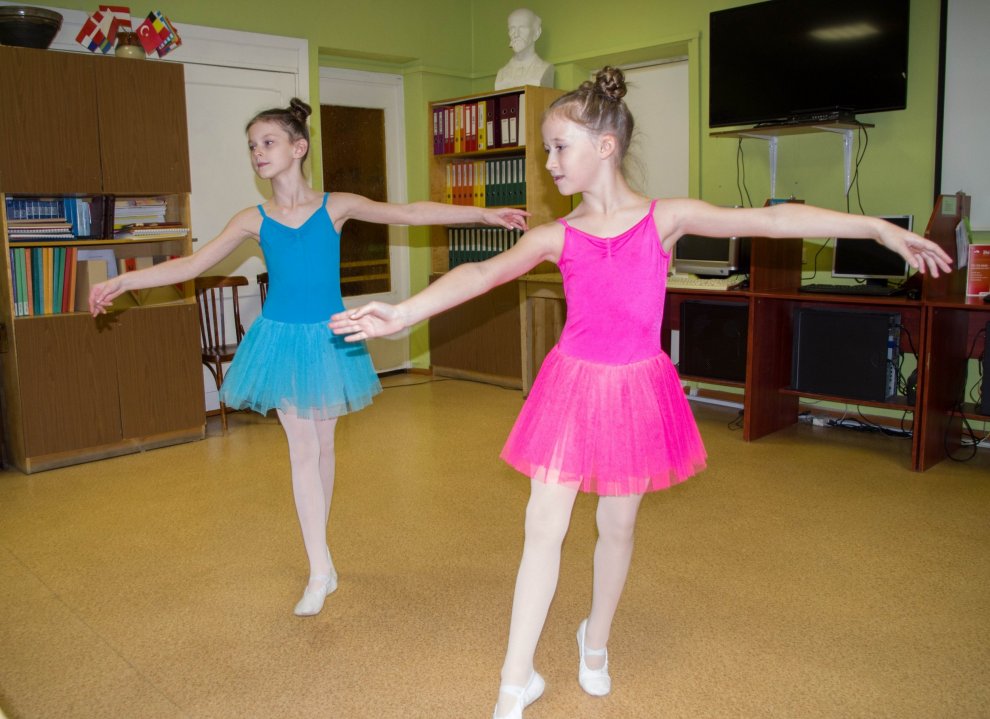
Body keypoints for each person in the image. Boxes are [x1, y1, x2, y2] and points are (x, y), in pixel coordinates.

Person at [330, 66, 953, 717]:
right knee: (542, 526)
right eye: (546, 149)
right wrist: (403, 313)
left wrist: (877, 228)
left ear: (605, 146)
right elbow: (482, 272)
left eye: (559, 147)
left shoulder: (664, 218)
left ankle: (594, 640)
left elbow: (770, 220)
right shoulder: (556, 235)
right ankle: (515, 677)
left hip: (635, 388)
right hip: (572, 386)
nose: (548, 162)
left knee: (618, 525)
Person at [88, 98, 529, 618]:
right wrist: (124, 280)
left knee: (324, 447)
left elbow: (409, 213)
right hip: (280, 340)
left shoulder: (334, 206)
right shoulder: (252, 220)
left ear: (298, 148)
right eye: (252, 146)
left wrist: (482, 212)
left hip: (330, 337)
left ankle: (323, 557)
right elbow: (192, 263)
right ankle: (320, 569)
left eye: (268, 143)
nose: (258, 153)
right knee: (302, 449)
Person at [494, 8, 554, 90]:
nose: (516, 34)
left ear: (536, 33)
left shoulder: (544, 69)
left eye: (522, 28)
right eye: (512, 28)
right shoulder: (502, 74)